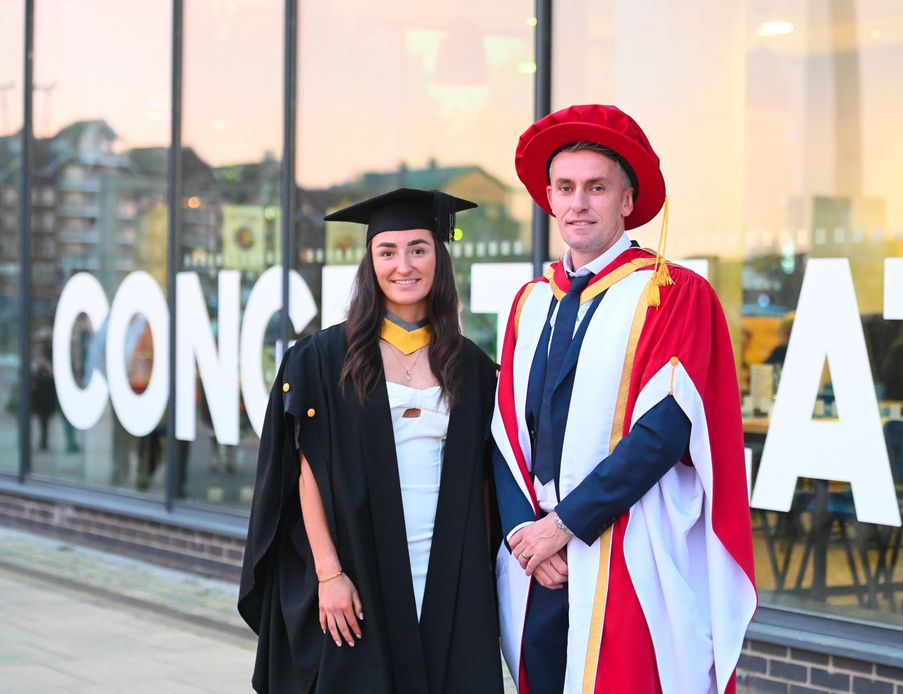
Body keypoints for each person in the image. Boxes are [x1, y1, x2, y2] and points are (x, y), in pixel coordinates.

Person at [492, 104, 757, 693]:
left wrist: (564, 526)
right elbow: (504, 431)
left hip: (627, 544)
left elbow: (662, 432)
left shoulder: (673, 293)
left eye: (596, 188)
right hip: (539, 558)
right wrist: (523, 535)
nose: (578, 203)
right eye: (565, 188)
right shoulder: (531, 302)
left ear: (627, 200)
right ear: (550, 199)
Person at [239, 188, 504, 694]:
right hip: (360, 567)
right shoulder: (323, 358)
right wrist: (328, 574)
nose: (403, 265)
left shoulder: (471, 366)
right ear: (370, 262)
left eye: (418, 249)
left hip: (447, 571)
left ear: (439, 259)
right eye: (387, 251)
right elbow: (305, 472)